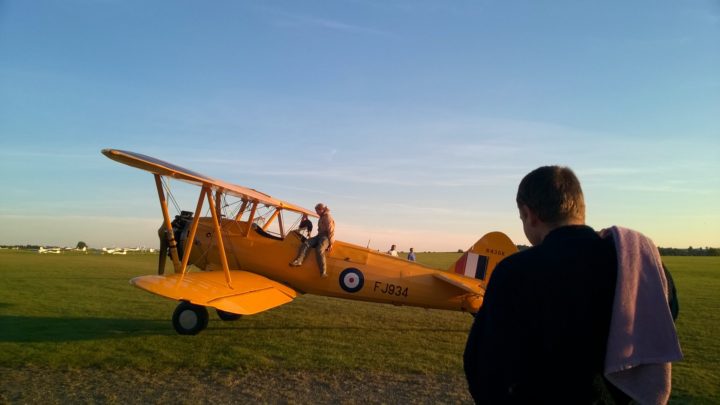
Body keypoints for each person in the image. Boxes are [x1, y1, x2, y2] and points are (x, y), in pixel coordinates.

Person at [463, 165, 679, 404]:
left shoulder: (512, 272)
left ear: (529, 214)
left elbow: (483, 366)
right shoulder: (640, 266)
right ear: (581, 209)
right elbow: (664, 320)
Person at [290, 203, 335, 277]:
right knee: (306, 243)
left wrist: (331, 243)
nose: (316, 213)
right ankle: (299, 261)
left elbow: (331, 231)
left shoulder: (327, 217)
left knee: (319, 249)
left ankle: (323, 272)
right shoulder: (321, 217)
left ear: (321, 209)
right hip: (319, 235)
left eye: (317, 211)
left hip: (326, 237)